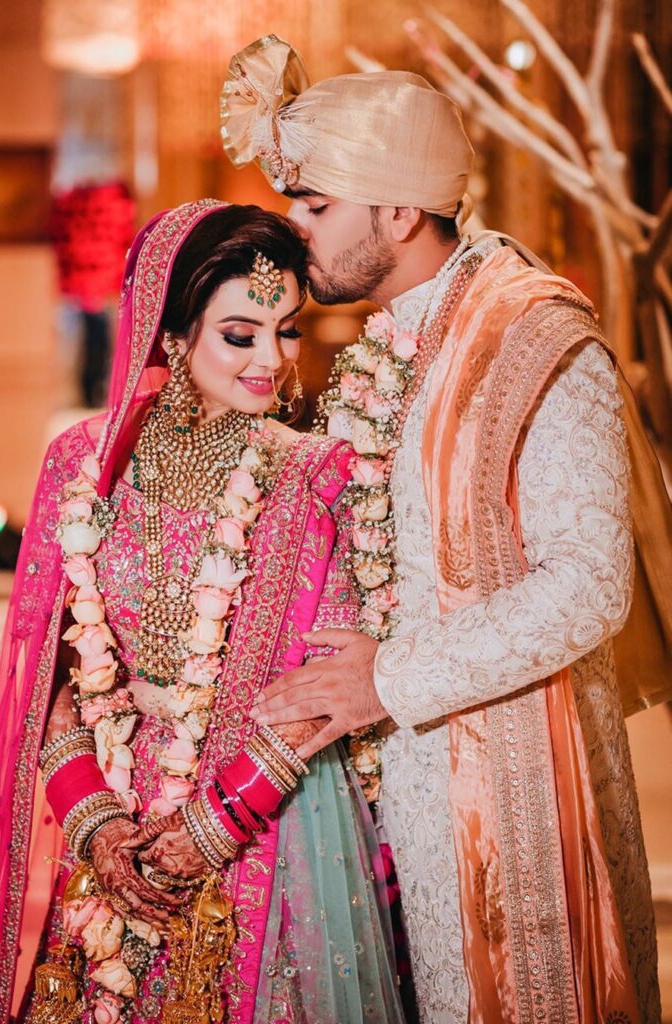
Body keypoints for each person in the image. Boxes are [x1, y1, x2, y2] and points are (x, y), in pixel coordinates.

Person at [221, 36, 662, 1023]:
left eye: (316, 206)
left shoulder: (535, 338)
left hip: (514, 789)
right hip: (393, 790)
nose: (295, 232)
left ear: (398, 209)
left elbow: (591, 583)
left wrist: (382, 678)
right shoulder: (395, 339)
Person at [0, 201, 405, 1024]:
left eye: (288, 331)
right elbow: (48, 676)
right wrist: (96, 824)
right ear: (172, 335)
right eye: (240, 333)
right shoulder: (82, 467)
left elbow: (327, 683)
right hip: (108, 823)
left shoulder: (319, 473)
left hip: (270, 833)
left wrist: (213, 827)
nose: (273, 362)